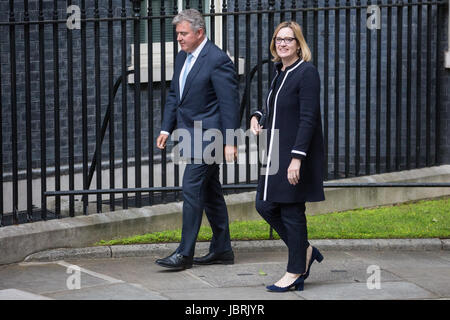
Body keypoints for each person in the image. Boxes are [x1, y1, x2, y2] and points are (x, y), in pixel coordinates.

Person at [155, 9, 240, 271]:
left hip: (209, 138)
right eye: (177, 34)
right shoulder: (183, 57)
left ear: (199, 33)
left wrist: (230, 141)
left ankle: (184, 254)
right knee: (210, 192)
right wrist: (166, 129)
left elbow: (229, 104)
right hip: (188, 135)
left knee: (192, 189)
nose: (179, 38)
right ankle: (223, 248)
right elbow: (174, 96)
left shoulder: (217, 60)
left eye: (183, 33)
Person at [250, 21, 325, 292]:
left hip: (292, 155)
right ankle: (305, 250)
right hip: (274, 153)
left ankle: (295, 272)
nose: (282, 43)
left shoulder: (306, 73)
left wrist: (297, 158)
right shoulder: (280, 71)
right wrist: (258, 115)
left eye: (288, 40)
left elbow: (308, 118)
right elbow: (276, 106)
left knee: (292, 211)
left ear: (298, 44)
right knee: (265, 206)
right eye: (279, 39)